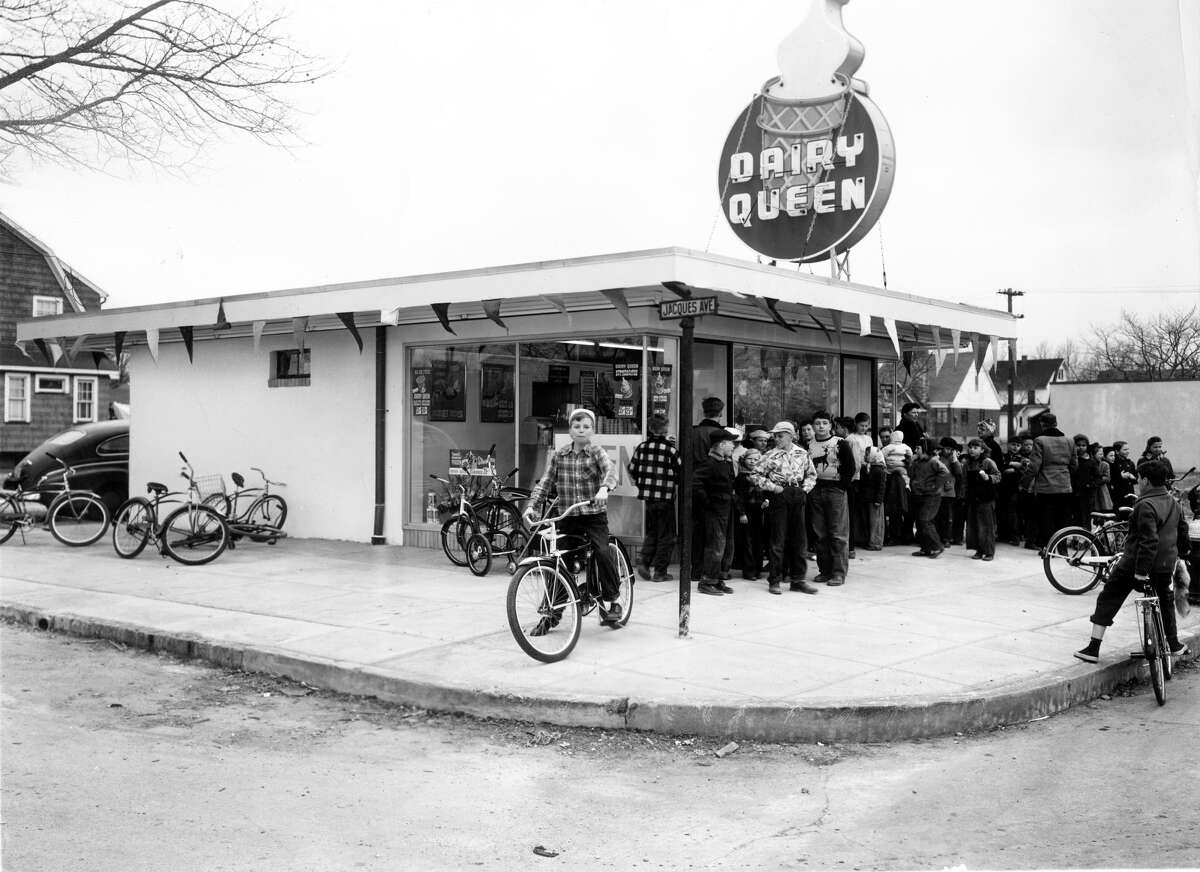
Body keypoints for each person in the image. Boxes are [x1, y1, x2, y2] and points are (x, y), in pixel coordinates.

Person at [1073, 460, 1190, 663]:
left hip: (1136, 565)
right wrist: (1183, 552)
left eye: (1139, 478)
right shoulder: (1174, 502)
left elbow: (1148, 540)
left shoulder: (1145, 504)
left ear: (1145, 480)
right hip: (1165, 565)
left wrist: (1141, 572)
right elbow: (1183, 531)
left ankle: (1092, 648)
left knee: (1109, 597)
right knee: (1166, 600)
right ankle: (1174, 644)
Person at [524, 408, 623, 627]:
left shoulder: (596, 452)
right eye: (577, 426)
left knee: (603, 551)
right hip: (568, 516)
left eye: (586, 426)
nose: (581, 430)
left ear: (592, 430)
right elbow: (546, 482)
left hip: (593, 515)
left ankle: (613, 600)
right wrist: (532, 506)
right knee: (560, 560)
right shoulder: (559, 455)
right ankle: (554, 611)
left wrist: (604, 488)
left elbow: (611, 470)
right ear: (570, 430)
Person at [749, 420, 817, 595]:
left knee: (799, 539)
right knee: (777, 539)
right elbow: (754, 475)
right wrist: (773, 487)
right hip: (779, 494)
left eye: (780, 436)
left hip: (797, 493)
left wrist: (804, 490)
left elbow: (811, 474)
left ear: (791, 436)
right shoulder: (770, 455)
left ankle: (798, 579)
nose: (776, 439)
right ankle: (775, 579)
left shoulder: (802, 453)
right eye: (775, 436)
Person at [627, 412, 680, 582]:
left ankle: (644, 560)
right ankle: (660, 572)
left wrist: (641, 484)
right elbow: (681, 472)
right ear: (665, 429)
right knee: (667, 535)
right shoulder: (671, 450)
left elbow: (632, 468)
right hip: (665, 497)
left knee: (653, 531)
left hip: (649, 497)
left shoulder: (642, 447)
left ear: (650, 428)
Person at [806, 411, 857, 585]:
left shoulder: (840, 443)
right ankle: (825, 570)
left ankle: (838, 573)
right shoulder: (809, 445)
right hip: (815, 490)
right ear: (813, 426)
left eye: (824, 423)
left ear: (830, 426)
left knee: (838, 534)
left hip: (835, 491)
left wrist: (841, 486)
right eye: (817, 423)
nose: (821, 426)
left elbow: (850, 467)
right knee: (820, 533)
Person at [693, 429, 742, 596]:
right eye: (731, 443)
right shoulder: (709, 463)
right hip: (715, 511)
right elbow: (695, 484)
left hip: (726, 509)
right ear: (722, 444)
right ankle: (707, 581)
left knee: (726, 545)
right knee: (715, 546)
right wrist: (708, 503)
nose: (733, 446)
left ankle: (718, 579)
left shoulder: (725, 463)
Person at [1028, 413, 1077, 548]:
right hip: (1064, 486)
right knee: (1063, 518)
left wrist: (1024, 482)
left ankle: (1049, 548)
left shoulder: (1040, 440)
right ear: (1056, 423)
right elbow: (1074, 466)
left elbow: (1034, 466)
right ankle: (1062, 548)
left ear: (1043, 424)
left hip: (1046, 487)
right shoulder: (1069, 441)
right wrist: (1064, 474)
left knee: (1047, 518)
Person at [910, 437, 952, 558]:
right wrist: (912, 462)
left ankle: (937, 546)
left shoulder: (933, 461)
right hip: (921, 495)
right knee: (920, 521)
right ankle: (925, 548)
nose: (915, 450)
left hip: (932, 496)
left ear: (925, 449)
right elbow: (911, 474)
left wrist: (935, 485)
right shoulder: (918, 461)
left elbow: (945, 472)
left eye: (918, 448)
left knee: (925, 520)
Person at [963, 437, 1001, 561]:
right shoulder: (967, 464)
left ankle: (989, 552)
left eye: (975, 448)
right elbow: (964, 482)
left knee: (986, 526)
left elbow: (998, 476)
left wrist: (988, 478)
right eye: (970, 447)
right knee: (974, 526)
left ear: (982, 450)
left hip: (986, 498)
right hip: (973, 498)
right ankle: (979, 550)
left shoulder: (988, 462)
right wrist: (963, 496)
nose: (972, 450)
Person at [734, 449, 767, 580]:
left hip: (760, 511)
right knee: (747, 541)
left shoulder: (761, 475)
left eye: (756, 459)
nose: (753, 462)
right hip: (747, 512)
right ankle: (749, 570)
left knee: (759, 540)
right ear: (744, 460)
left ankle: (758, 568)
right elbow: (738, 497)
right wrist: (741, 513)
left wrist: (766, 501)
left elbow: (765, 491)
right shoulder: (741, 477)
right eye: (750, 459)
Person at [845, 412, 875, 557]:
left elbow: (871, 455)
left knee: (864, 509)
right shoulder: (850, 438)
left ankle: (864, 538)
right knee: (851, 509)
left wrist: (869, 464)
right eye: (862, 425)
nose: (864, 428)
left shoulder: (868, 438)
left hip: (865, 474)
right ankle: (851, 543)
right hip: (853, 476)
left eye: (866, 426)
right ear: (856, 424)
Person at [882, 429, 913, 545]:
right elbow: (910, 458)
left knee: (896, 511)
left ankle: (897, 536)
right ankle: (903, 536)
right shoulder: (906, 448)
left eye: (887, 437)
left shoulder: (887, 449)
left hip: (894, 480)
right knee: (901, 511)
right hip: (902, 480)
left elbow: (881, 458)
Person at [936, 437, 965, 547]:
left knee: (948, 517)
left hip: (949, 492)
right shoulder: (938, 458)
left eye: (950, 449)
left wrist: (955, 460)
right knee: (938, 516)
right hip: (938, 491)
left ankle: (946, 538)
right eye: (945, 448)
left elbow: (959, 473)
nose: (947, 451)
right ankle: (939, 537)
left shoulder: (953, 460)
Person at [1070, 433, 1100, 527]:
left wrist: (1090, 485)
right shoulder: (1071, 460)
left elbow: (1098, 478)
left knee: (1086, 518)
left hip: (1087, 495)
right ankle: (1075, 538)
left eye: (1083, 445)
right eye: (1078, 445)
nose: (1081, 448)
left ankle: (1085, 539)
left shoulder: (1091, 461)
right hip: (1073, 493)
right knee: (1075, 517)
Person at [862, 446, 887, 550]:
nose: (865, 456)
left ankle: (876, 543)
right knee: (873, 522)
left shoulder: (879, 469)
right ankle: (872, 541)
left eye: (867, 454)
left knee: (876, 522)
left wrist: (878, 500)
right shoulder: (872, 467)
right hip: (871, 499)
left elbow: (881, 486)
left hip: (875, 501)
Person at [1110, 440, 1138, 506]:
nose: (1127, 451)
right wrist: (1120, 476)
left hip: (1130, 493)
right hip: (1118, 495)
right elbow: (1111, 480)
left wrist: (1132, 477)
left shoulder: (1130, 463)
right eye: (1125, 450)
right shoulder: (1113, 464)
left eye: (1128, 449)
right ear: (1117, 451)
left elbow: (1136, 480)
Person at [1093, 444, 1114, 513]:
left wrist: (1098, 480)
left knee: (1103, 507)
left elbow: (1107, 478)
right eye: (1099, 454)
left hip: (1102, 489)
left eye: (1102, 454)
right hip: (1093, 491)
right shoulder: (1091, 463)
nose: (1102, 456)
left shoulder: (1105, 464)